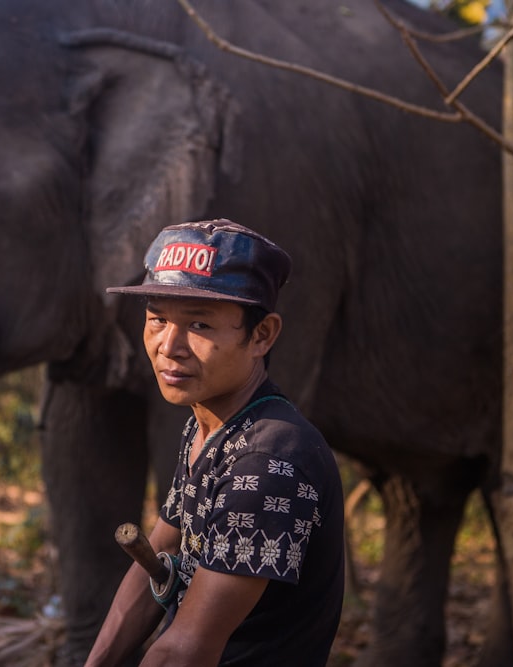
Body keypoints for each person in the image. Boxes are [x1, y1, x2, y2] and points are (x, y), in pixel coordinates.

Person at [86, 219, 344, 667]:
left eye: (199, 324)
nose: (170, 345)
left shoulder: (267, 461)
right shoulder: (210, 425)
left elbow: (184, 653)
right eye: (157, 320)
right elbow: (162, 548)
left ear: (261, 334)